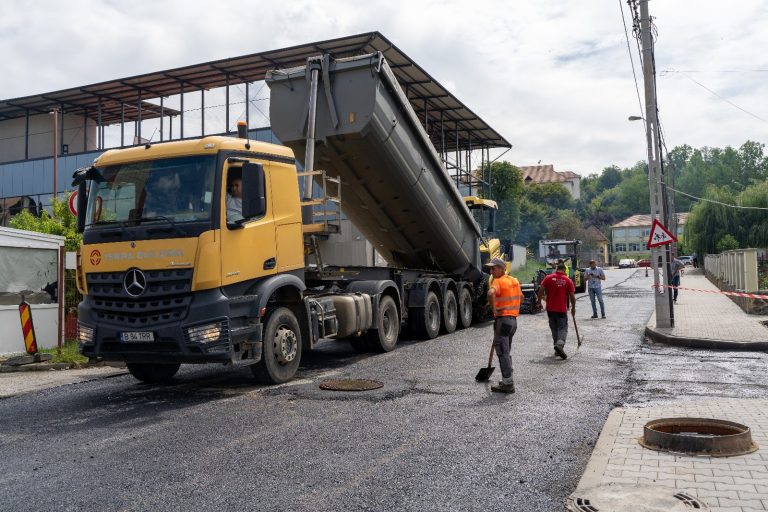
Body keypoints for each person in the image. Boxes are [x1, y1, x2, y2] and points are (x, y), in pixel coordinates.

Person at [485, 257, 522, 394]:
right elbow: (521, 297)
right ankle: (507, 379)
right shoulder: (514, 281)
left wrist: (494, 309)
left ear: (502, 268)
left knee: (502, 352)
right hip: (513, 321)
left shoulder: (498, 281)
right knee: (506, 351)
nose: (491, 270)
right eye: (490, 268)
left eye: (494, 268)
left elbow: (490, 293)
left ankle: (508, 383)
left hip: (503, 320)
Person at [536, 263, 576, 360]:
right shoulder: (568, 280)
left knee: (554, 328)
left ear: (557, 269)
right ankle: (560, 344)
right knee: (562, 328)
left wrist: (539, 302)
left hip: (550, 309)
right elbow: (572, 296)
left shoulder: (548, 278)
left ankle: (557, 348)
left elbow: (540, 290)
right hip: (561, 309)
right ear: (564, 270)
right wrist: (573, 308)